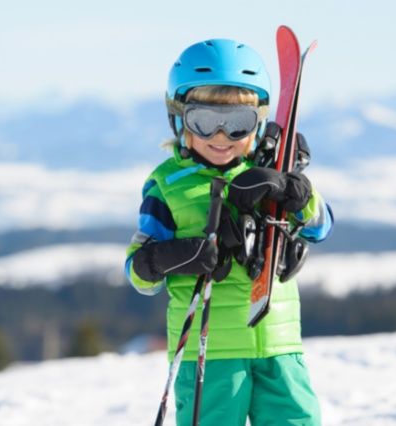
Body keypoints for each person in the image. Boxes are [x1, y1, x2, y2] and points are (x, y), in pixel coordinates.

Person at [124, 39, 333, 426]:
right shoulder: (168, 185)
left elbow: (321, 228)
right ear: (179, 118)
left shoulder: (271, 173)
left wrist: (299, 194)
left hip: (279, 346)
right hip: (210, 355)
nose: (221, 137)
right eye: (204, 121)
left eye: (237, 123)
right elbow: (138, 274)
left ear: (258, 122)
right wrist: (171, 256)